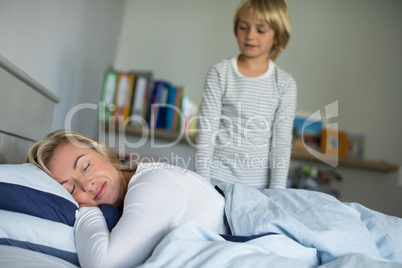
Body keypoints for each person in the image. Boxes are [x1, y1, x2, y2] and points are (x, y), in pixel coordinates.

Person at [28, 130, 226, 267]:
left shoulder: (153, 183)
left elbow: (106, 264)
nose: (88, 185)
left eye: (86, 166)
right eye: (71, 188)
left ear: (102, 151)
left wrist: (87, 209)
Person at [196, 0, 297, 189]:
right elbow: (206, 133)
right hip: (216, 181)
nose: (250, 35)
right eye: (243, 27)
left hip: (258, 188)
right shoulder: (220, 73)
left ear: (277, 36)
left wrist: (276, 194)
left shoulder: (285, 83)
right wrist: (203, 185)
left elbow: (281, 144)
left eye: (261, 30)